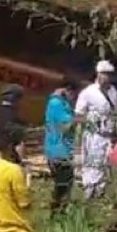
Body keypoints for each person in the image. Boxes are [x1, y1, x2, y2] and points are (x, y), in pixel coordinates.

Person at [75, 60, 117, 200]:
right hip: (95, 135)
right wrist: (90, 123)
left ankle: (102, 195)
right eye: (104, 74)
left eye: (109, 74)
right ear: (98, 74)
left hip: (110, 135)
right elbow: (79, 115)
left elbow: (116, 113)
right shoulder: (88, 93)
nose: (107, 77)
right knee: (93, 165)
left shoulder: (113, 92)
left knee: (107, 166)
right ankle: (90, 194)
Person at [43, 79, 79, 215]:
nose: (74, 98)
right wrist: (79, 119)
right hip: (59, 152)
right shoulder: (57, 104)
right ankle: (57, 216)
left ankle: (58, 214)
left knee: (63, 186)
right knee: (63, 187)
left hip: (60, 150)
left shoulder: (56, 103)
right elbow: (64, 126)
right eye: (73, 94)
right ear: (67, 90)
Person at [0, 84, 27, 165]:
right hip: (8, 159)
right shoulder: (14, 117)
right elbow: (19, 143)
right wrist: (22, 163)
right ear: (17, 99)